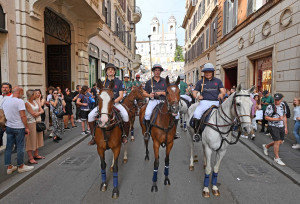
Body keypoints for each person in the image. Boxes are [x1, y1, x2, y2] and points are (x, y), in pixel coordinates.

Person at [88, 63, 129, 145]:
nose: (110, 70)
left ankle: (124, 135)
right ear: (106, 72)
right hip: (103, 106)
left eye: (112, 69)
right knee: (90, 116)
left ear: (114, 72)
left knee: (126, 116)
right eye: (108, 69)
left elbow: (121, 96)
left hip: (115, 104)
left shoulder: (119, 82)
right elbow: (100, 96)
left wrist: (112, 103)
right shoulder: (102, 83)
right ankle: (93, 136)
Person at [3, 86, 34, 174]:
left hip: (9, 126)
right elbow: (23, 116)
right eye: (22, 92)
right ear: (19, 92)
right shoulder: (19, 101)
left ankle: (9, 167)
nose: (23, 94)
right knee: (20, 146)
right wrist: (27, 127)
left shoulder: (6, 100)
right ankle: (21, 166)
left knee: (8, 147)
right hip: (19, 127)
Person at [143, 64, 179, 136]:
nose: (157, 72)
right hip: (153, 101)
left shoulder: (165, 81)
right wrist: (149, 95)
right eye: (155, 70)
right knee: (147, 114)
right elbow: (144, 93)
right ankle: (148, 131)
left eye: (158, 70)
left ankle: (174, 132)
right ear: (153, 71)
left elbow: (170, 93)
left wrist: (162, 93)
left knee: (177, 115)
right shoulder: (149, 82)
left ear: (160, 71)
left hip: (164, 101)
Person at [192, 63, 225, 138]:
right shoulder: (200, 82)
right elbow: (194, 92)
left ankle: (227, 131)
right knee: (196, 114)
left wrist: (221, 94)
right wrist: (197, 97)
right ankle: (197, 132)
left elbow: (223, 91)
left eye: (209, 72)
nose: (207, 73)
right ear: (204, 73)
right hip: (204, 102)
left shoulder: (218, 81)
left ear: (212, 72)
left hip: (216, 102)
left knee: (226, 114)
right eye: (206, 72)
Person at [262, 93, 288, 166]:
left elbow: (284, 117)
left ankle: (266, 146)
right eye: (275, 100)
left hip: (281, 126)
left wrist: (285, 127)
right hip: (273, 126)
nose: (276, 101)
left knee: (280, 141)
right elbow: (266, 117)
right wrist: (277, 119)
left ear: (281, 99)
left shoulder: (283, 105)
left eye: (278, 100)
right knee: (277, 141)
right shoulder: (270, 106)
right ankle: (276, 158)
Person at [25, 90, 45, 164]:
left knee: (37, 139)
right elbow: (34, 114)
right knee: (30, 140)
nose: (36, 95)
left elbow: (41, 110)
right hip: (30, 123)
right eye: (34, 94)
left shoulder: (35, 102)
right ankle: (30, 158)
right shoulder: (27, 103)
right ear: (31, 95)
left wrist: (38, 113)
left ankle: (36, 154)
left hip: (37, 122)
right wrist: (39, 113)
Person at [0, 82, 13, 147]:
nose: (4, 89)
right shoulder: (0, 97)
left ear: (9, 89)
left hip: (9, 120)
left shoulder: (12, 97)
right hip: (1, 121)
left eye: (6, 87)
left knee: (12, 138)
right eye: (3, 87)